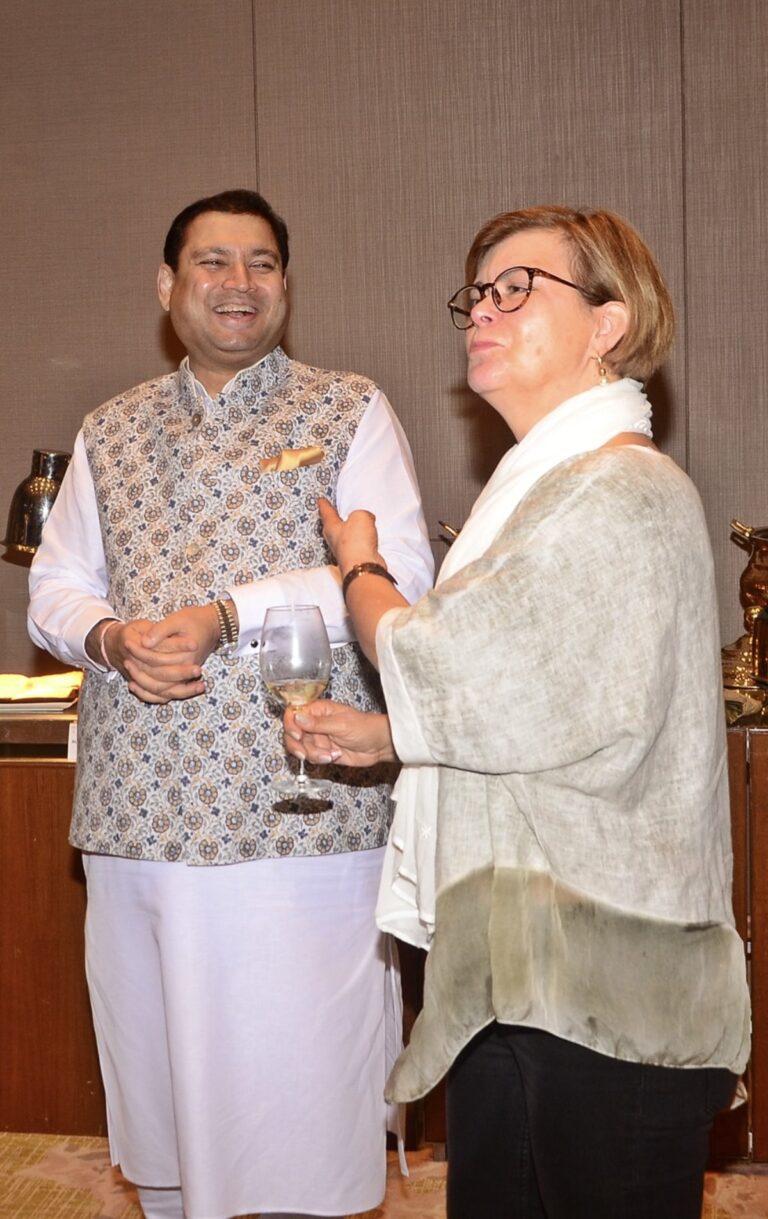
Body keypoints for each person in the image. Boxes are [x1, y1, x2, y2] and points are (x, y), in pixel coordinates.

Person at [284, 205, 751, 1219]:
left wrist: (359, 561)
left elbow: (439, 656)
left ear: (608, 324)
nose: (482, 311)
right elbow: (541, 702)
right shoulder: (547, 492)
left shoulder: (621, 490)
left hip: (605, 986)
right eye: (476, 293)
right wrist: (388, 735)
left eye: (517, 287)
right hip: (526, 969)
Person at [27, 188, 434, 1219]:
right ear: (169, 288)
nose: (239, 284)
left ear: (287, 287)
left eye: (261, 263)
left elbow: (405, 582)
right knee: (164, 1080)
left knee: (302, 1085)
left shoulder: (348, 407)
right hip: (141, 813)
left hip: (300, 812)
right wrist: (110, 637)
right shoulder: (110, 427)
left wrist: (222, 614)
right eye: (213, 262)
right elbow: (54, 590)